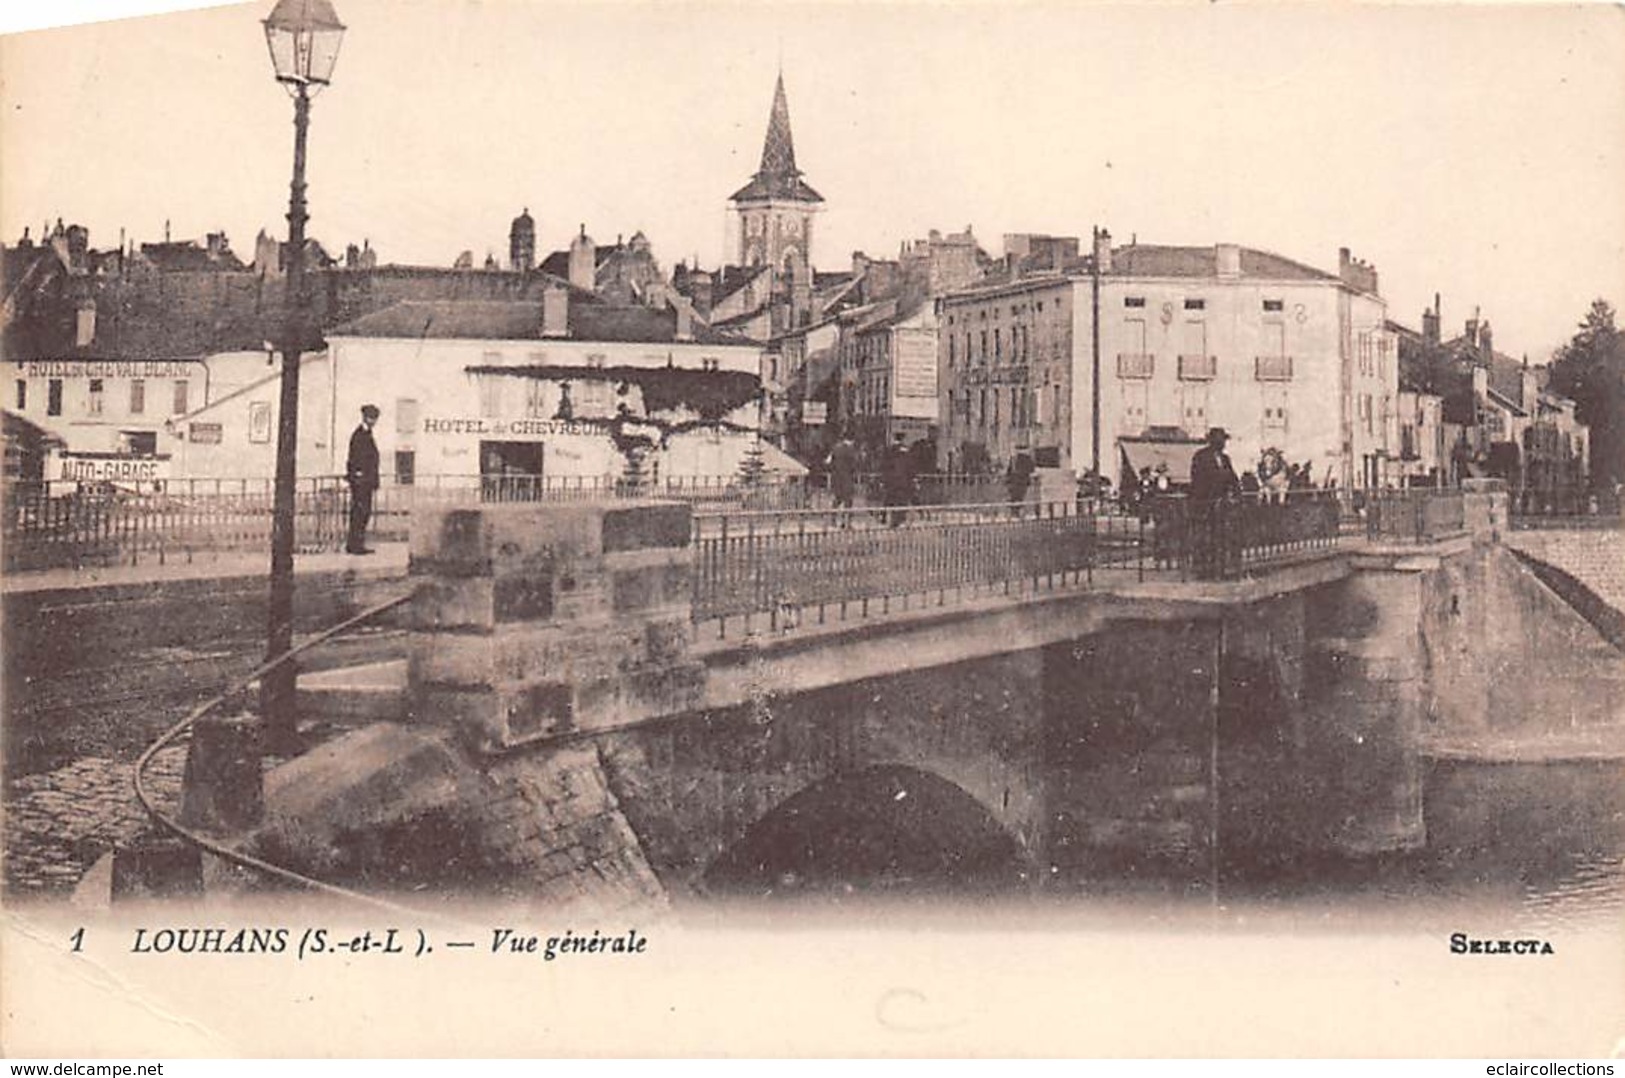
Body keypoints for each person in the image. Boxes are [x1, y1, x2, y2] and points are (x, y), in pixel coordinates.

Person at [1188, 426, 1241, 579]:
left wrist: (1236, 493)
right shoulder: (1200, 456)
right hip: (1205, 504)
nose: (1223, 443)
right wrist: (1208, 497)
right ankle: (1202, 570)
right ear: (1212, 441)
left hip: (1221, 505)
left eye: (1224, 440)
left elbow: (1233, 478)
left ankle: (1218, 570)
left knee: (1220, 538)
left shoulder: (1225, 459)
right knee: (1204, 539)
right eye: (1220, 440)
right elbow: (1197, 480)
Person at [345, 404, 381, 554]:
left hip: (366, 481)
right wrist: (357, 474)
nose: (373, 421)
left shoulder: (367, 434)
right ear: (365, 418)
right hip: (361, 482)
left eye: (375, 418)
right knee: (360, 513)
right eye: (371, 418)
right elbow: (354, 458)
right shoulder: (359, 435)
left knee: (363, 513)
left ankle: (357, 544)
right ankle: (355, 545)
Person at [881, 432, 915, 527]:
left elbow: (885, 465)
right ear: (903, 439)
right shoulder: (906, 451)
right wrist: (912, 478)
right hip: (903, 480)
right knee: (901, 500)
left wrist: (884, 479)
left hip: (891, 480)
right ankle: (898, 520)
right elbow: (910, 466)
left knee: (890, 498)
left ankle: (885, 517)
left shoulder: (889, 450)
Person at [827, 432, 860, 511]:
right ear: (852, 441)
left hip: (836, 477)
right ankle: (846, 521)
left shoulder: (835, 448)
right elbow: (854, 464)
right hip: (847, 477)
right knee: (848, 499)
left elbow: (828, 462)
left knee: (838, 498)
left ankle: (833, 518)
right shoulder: (851, 450)